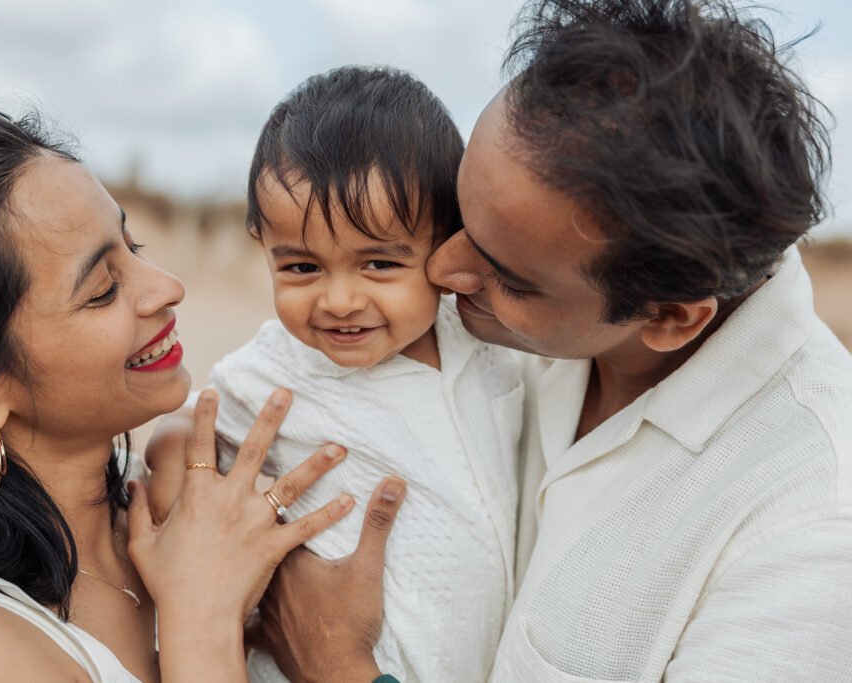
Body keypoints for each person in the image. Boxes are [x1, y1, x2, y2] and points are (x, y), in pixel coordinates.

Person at [240, 0, 852, 680]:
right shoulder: (482, 324)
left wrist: (338, 665)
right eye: (456, 222)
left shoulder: (811, 527)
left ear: (672, 317)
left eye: (505, 274)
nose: (442, 271)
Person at [0, 103, 405, 682]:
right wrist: (205, 625)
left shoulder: (195, 510)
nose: (169, 289)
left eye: (135, 247)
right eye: (103, 289)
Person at [150, 66, 521, 683]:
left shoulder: (485, 342)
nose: (339, 300)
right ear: (262, 246)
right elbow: (193, 422)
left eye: (378, 263)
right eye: (300, 268)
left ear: (447, 243)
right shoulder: (276, 371)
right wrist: (171, 460)